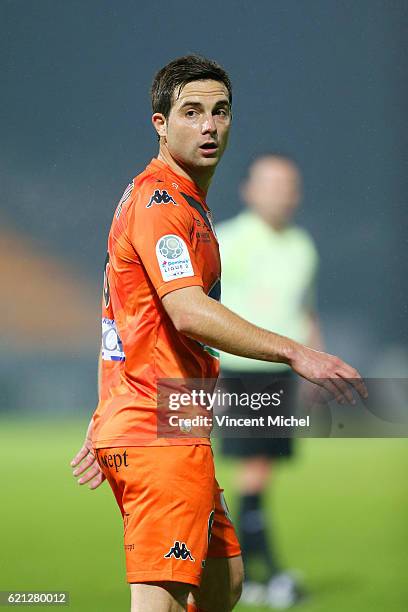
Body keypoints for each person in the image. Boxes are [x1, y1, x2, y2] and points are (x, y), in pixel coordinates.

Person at [70, 55, 367, 612]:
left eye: (220, 112)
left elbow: (123, 314)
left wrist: (106, 408)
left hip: (168, 415)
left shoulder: (185, 204)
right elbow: (186, 310)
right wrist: (297, 352)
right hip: (156, 428)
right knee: (160, 597)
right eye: (191, 112)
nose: (208, 125)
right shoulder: (161, 203)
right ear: (160, 123)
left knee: (224, 581)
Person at [216, 154, 323, 607]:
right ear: (249, 190)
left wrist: (315, 363)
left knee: (259, 474)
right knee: (251, 472)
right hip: (239, 370)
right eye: (271, 182)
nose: (281, 191)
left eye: (289, 183)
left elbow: (305, 311)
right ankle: (265, 571)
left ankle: (251, 575)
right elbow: (201, 307)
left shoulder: (302, 245)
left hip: (282, 371)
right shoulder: (226, 239)